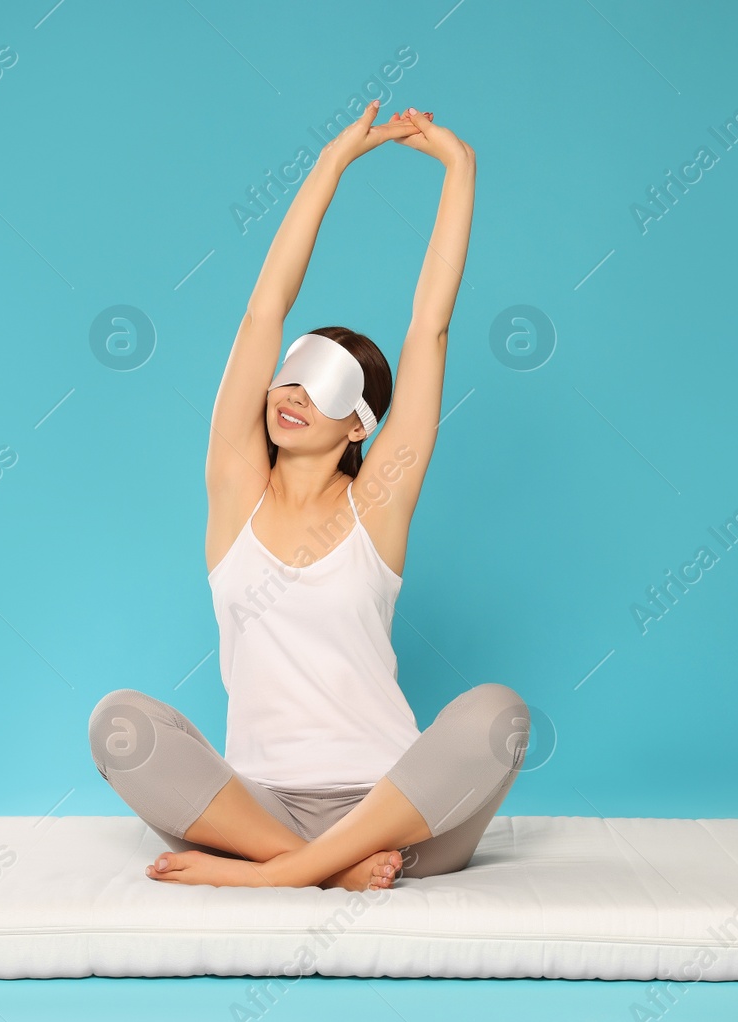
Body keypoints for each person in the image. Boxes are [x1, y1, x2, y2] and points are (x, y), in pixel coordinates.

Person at [88, 103, 528, 891]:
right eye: (290, 376)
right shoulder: (235, 497)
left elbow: (429, 328)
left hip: (397, 817)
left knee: (499, 714)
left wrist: (460, 171)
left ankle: (281, 876)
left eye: (323, 389)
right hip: (256, 811)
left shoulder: (378, 505)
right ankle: (315, 866)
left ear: (360, 426)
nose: (291, 393)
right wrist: (332, 163)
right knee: (119, 725)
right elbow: (266, 307)